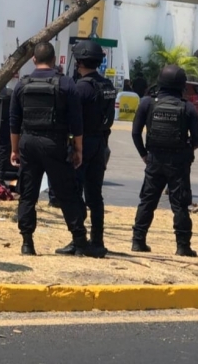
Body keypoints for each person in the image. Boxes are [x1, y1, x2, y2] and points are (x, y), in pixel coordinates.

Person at [10, 41, 90, 257]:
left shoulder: (22, 84)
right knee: (67, 193)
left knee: (28, 194)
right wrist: (78, 149)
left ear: (34, 59)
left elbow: (14, 122)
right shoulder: (66, 84)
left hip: (28, 143)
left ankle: (27, 243)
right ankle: (79, 240)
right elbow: (76, 122)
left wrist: (14, 149)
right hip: (55, 143)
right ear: (54, 60)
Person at [131, 65, 198, 257]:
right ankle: (183, 246)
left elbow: (135, 132)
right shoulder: (187, 107)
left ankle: (138, 241)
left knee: (147, 201)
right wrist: (187, 147)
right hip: (178, 163)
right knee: (179, 204)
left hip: (153, 160)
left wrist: (143, 154)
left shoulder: (147, 103)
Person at [58, 39, 117, 257]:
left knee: (74, 193)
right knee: (95, 196)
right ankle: (98, 241)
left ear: (80, 61)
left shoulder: (80, 88)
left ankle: (79, 240)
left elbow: (73, 122)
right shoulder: (108, 86)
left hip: (83, 144)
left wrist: (72, 143)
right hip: (101, 144)